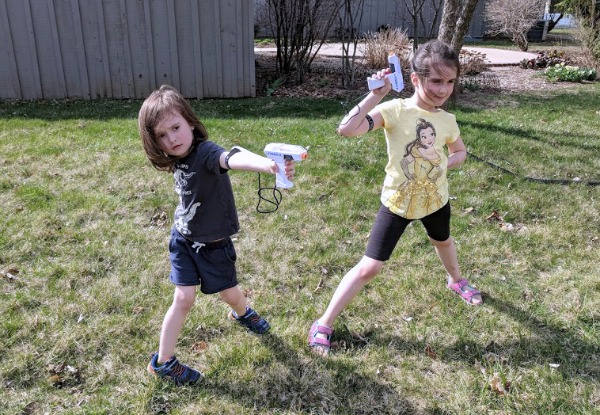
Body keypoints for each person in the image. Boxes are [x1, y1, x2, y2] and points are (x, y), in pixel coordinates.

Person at [308, 40, 482, 356]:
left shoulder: (447, 120)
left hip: (434, 199)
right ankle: (324, 322)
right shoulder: (394, 110)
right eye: (436, 81)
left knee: (443, 241)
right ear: (415, 79)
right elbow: (346, 129)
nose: (444, 89)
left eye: (450, 81)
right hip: (399, 203)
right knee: (370, 267)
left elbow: (459, 151)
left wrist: (446, 161)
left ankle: (456, 279)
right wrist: (376, 94)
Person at [138, 85, 295, 385]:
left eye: (176, 127)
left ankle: (243, 313)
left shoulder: (206, 152)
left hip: (214, 246)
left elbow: (231, 157)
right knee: (183, 298)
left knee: (229, 293)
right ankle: (163, 362)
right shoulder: (175, 157)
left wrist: (266, 165)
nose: (172, 138)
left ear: (190, 122)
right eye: (162, 135)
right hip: (183, 241)